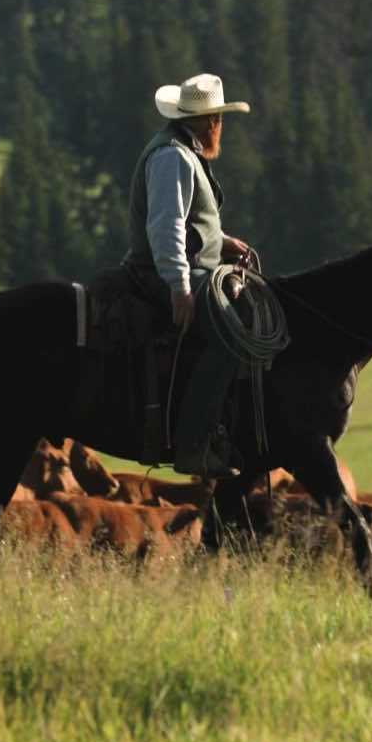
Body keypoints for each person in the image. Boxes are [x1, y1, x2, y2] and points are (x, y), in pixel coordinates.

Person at [122, 72, 253, 479]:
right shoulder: (173, 157)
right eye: (219, 119)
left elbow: (189, 223)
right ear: (210, 121)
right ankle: (193, 444)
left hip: (181, 268)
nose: (220, 127)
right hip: (162, 277)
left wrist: (222, 242)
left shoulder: (181, 150)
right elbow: (166, 227)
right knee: (232, 334)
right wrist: (179, 286)